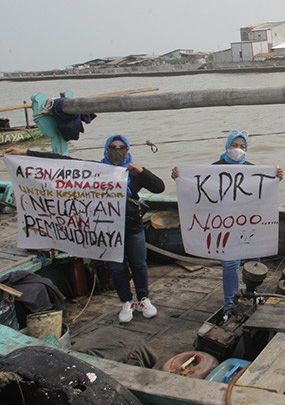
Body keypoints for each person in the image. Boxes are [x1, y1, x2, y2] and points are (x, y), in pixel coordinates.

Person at [6, 135, 166, 323]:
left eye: (122, 147)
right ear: (106, 149)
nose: (117, 150)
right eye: (113, 147)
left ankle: (144, 299)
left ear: (128, 150)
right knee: (117, 268)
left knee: (139, 265)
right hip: (107, 232)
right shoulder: (93, 171)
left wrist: (142, 170)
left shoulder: (134, 174)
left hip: (133, 229)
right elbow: (60, 161)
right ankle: (126, 302)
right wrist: (24, 153)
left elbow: (159, 187)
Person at [171, 130, 283, 319]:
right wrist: (179, 177)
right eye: (235, 145)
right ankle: (229, 303)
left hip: (247, 224)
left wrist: (277, 176)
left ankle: (251, 293)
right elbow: (195, 188)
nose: (238, 149)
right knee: (230, 264)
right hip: (225, 225)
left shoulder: (251, 169)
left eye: (242, 147)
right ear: (227, 146)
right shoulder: (214, 169)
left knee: (255, 260)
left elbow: (264, 192)